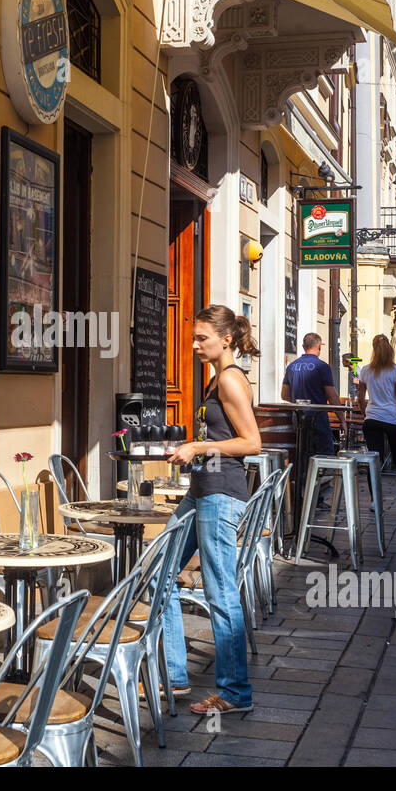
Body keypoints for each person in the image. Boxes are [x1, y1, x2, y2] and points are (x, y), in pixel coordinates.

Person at [165, 305, 262, 716]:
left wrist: (199, 447)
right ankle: (174, 675)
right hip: (202, 490)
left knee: (221, 592)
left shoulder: (230, 380)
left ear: (226, 339)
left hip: (220, 495)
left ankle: (234, 692)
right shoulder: (216, 380)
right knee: (159, 573)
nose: (194, 345)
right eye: (194, 337)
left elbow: (252, 443)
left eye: (201, 338)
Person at [282, 332, 349, 507]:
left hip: (298, 418)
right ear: (319, 347)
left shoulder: (292, 367)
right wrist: (342, 419)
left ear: (303, 347)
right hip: (318, 417)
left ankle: (301, 497)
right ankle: (317, 498)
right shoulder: (322, 367)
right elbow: (332, 396)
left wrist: (300, 399)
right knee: (323, 457)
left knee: (302, 457)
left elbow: (285, 395)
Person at [355, 334, 396, 496]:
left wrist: (365, 412)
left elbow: (360, 398)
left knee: (374, 460)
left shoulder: (366, 371)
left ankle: (375, 500)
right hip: (392, 420)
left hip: (372, 419)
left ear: (374, 350)